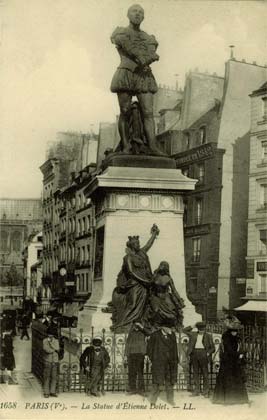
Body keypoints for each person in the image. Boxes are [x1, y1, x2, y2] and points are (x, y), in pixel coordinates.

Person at [110, 4, 164, 156]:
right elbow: (130, 50)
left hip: (144, 75)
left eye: (141, 12)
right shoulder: (120, 33)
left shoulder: (148, 38)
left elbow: (151, 53)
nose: (138, 14)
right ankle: (126, 146)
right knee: (125, 111)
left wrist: (148, 57)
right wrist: (146, 57)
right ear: (128, 15)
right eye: (135, 11)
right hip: (126, 73)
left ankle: (152, 147)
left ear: (144, 17)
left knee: (148, 112)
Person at [111, 224, 159, 331]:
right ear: (132, 246)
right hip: (134, 284)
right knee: (132, 304)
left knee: (142, 306)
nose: (138, 245)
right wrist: (145, 281)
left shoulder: (142, 253)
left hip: (144, 286)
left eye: (138, 243)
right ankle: (121, 324)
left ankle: (138, 324)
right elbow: (131, 272)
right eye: (136, 244)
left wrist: (154, 234)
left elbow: (148, 244)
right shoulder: (128, 257)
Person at [213, 321, 249, 405]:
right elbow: (229, 351)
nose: (234, 332)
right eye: (233, 331)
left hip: (234, 362)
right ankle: (227, 399)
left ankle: (236, 398)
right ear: (229, 331)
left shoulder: (236, 338)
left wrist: (240, 354)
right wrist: (239, 354)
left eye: (236, 331)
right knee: (228, 379)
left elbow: (236, 349)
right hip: (227, 362)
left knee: (236, 379)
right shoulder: (226, 338)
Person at [147, 325, 178, 406]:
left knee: (170, 382)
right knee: (156, 382)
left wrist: (176, 361)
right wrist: (153, 359)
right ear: (163, 327)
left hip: (170, 363)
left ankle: (170, 400)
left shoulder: (172, 335)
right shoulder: (155, 335)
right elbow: (149, 348)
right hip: (158, 363)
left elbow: (175, 348)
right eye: (168, 327)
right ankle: (153, 401)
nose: (170, 329)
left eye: (171, 327)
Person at [148, 261, 185, 329]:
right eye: (161, 266)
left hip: (166, 296)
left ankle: (172, 325)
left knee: (172, 311)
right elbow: (149, 285)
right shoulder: (155, 276)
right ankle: (155, 326)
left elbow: (174, 290)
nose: (162, 267)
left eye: (164, 266)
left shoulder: (168, 278)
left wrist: (179, 299)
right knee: (155, 310)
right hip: (156, 296)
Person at [183, 321, 215, 397]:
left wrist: (208, 353)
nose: (201, 331)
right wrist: (193, 325)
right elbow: (184, 330)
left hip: (204, 353)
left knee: (205, 373)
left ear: (205, 329)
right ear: (198, 329)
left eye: (203, 329)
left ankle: (205, 391)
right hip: (194, 354)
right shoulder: (193, 334)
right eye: (200, 329)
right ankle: (196, 391)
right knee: (195, 373)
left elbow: (213, 348)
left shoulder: (208, 336)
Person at [125, 321, 150, 395]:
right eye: (135, 324)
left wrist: (141, 327)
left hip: (140, 354)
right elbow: (127, 343)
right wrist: (125, 355)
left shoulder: (143, 332)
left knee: (140, 372)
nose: (136, 326)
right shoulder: (131, 332)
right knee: (131, 373)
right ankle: (132, 389)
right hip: (131, 354)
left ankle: (141, 389)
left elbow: (149, 333)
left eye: (138, 324)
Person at [42, 327, 60, 398]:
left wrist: (51, 345)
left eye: (51, 335)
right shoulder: (45, 341)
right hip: (48, 361)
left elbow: (58, 348)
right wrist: (54, 349)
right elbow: (46, 350)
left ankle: (52, 391)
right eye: (49, 335)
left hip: (55, 361)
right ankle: (46, 392)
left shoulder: (56, 341)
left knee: (54, 377)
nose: (50, 336)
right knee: (47, 377)